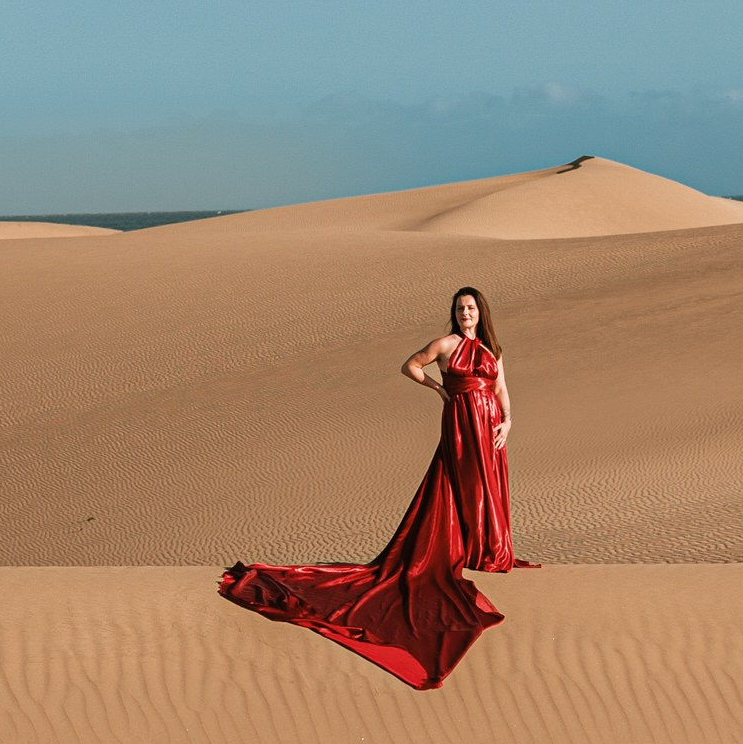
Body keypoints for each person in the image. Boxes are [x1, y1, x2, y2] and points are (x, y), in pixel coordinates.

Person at [218, 286, 537, 688]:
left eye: (471, 308)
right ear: (454, 313)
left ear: (480, 311)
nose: (465, 313)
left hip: (489, 427)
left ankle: (486, 548)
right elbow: (410, 366)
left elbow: (501, 388)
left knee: (488, 487)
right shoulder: (445, 345)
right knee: (461, 487)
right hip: (460, 424)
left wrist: (507, 420)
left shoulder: (493, 350)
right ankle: (466, 547)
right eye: (460, 308)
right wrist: (440, 389)